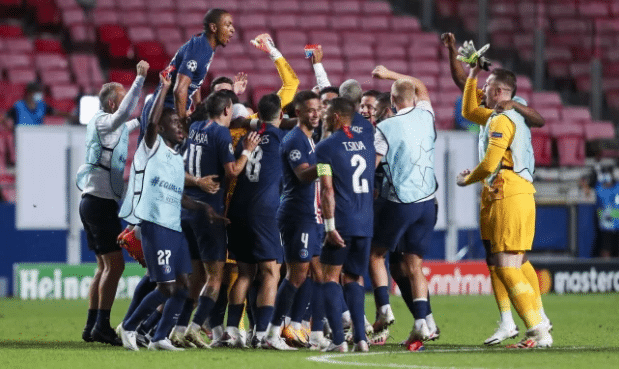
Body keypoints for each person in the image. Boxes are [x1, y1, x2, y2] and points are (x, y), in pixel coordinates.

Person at [441, 32, 550, 345]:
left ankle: (537, 328)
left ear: (501, 92)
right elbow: (467, 105)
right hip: (497, 190)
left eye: (486, 88)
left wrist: (468, 179)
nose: (480, 92)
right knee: (506, 261)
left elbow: (538, 120)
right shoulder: (491, 115)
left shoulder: (508, 115)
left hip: (510, 186)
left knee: (509, 263)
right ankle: (529, 322)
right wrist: (472, 69)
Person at [118, 71, 225, 351]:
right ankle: (129, 327)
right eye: (174, 123)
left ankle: (160, 338)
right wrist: (164, 88)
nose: (180, 126)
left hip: (174, 227)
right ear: (161, 129)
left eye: (180, 122)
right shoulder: (151, 148)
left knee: (183, 285)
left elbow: (180, 197)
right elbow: (152, 122)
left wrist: (204, 209)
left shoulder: (177, 158)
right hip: (155, 226)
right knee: (166, 288)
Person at [176, 90, 260, 348]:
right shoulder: (220, 133)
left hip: (187, 209)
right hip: (209, 213)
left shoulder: (196, 126)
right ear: (227, 110)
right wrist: (246, 150)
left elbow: (179, 164)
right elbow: (232, 171)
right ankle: (193, 327)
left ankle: (178, 328)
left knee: (197, 277)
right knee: (215, 276)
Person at [76, 61, 149, 346]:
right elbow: (123, 118)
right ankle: (103, 326)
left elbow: (133, 122)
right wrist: (139, 80)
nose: (125, 107)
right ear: (111, 102)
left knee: (103, 267)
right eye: (121, 99)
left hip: (94, 201)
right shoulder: (102, 120)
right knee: (115, 266)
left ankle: (92, 325)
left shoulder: (108, 126)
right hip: (99, 203)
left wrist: (152, 114)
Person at [369, 76, 438, 347]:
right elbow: (421, 85)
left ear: (393, 101)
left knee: (376, 254)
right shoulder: (427, 115)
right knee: (415, 266)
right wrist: (390, 74)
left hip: (400, 202)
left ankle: (384, 309)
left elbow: (372, 166)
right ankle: (421, 323)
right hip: (428, 203)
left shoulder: (385, 127)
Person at [261, 90, 324, 351]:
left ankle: (312, 332)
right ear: (298, 112)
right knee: (296, 275)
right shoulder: (295, 139)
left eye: (318, 109)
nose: (316, 113)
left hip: (312, 216)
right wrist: (328, 165)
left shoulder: (310, 140)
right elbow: (302, 175)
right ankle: (272, 333)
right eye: (310, 109)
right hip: (298, 215)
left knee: (317, 275)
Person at [226, 93, 289, 347]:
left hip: (238, 208)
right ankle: (262, 333)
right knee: (271, 271)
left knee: (245, 273)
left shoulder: (246, 139)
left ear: (258, 115)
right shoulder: (283, 140)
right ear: (281, 115)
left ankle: (232, 331)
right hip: (264, 211)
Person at [316, 97, 376, 353]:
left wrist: (329, 226)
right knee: (354, 277)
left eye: (327, 112)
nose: (323, 116)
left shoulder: (324, 148)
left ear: (337, 117)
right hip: (365, 222)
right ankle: (361, 340)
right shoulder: (367, 143)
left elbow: (327, 190)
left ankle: (339, 340)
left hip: (341, 221)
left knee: (329, 276)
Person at [139, 8, 235, 142]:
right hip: (165, 116)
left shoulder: (205, 46)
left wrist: (198, 105)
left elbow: (194, 80)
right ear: (213, 27)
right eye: (228, 24)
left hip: (167, 111)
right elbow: (179, 90)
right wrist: (183, 122)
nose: (232, 29)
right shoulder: (199, 50)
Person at [1, 82, 76, 128]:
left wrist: (71, 115)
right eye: (37, 93)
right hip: (22, 137)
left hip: (37, 136)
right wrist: (11, 129)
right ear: (29, 93)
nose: (39, 95)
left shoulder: (42, 106)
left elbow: (56, 113)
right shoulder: (18, 106)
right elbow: (3, 118)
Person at [594, 166, 619, 258]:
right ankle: (605, 269)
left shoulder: (617, 188)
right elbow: (599, 188)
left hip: (617, 225)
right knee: (606, 250)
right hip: (606, 226)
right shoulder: (600, 190)